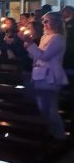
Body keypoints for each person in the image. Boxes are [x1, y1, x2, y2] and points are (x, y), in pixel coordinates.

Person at [22, 11, 68, 139]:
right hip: (39, 76)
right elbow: (37, 56)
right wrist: (27, 43)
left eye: (47, 21)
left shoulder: (58, 38)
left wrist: (30, 44)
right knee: (43, 109)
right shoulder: (44, 37)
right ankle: (50, 132)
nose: (44, 23)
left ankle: (59, 135)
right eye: (43, 21)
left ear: (57, 23)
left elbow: (45, 56)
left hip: (50, 77)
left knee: (51, 110)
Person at [62, 5, 74, 76]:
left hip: (70, 49)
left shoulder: (71, 23)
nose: (62, 13)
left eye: (64, 11)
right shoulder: (63, 22)